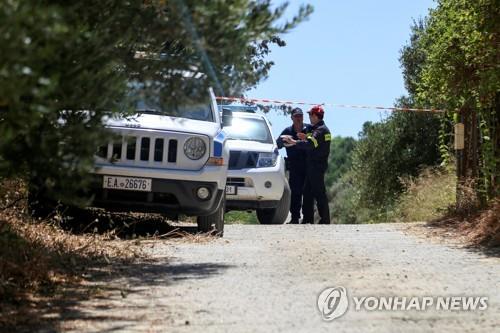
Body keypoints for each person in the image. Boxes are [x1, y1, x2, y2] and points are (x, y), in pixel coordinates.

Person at [283, 105, 331, 224]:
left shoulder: (320, 130)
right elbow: (314, 141)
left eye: (310, 115)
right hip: (313, 167)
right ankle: (308, 219)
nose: (308, 117)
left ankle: (325, 219)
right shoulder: (320, 129)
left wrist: (295, 142)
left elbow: (310, 144)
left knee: (319, 193)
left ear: (315, 116)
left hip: (316, 167)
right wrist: (306, 137)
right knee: (308, 193)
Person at [276, 107, 311, 224]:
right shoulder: (287, 131)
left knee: (308, 193)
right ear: (291, 118)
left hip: (308, 166)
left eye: (300, 116)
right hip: (294, 166)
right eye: (296, 116)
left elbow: (315, 142)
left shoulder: (309, 129)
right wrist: (284, 140)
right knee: (295, 192)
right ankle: (295, 217)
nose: (298, 118)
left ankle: (307, 218)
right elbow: (277, 144)